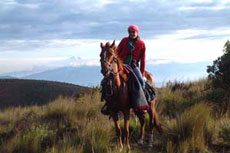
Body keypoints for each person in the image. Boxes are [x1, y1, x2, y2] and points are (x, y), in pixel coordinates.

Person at [117, 24, 146, 89]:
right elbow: (117, 52)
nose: (132, 33)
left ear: (137, 32)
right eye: (130, 32)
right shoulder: (124, 40)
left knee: (141, 81)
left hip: (133, 65)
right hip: (122, 64)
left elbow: (143, 60)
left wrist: (142, 73)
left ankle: (142, 98)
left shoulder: (141, 44)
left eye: (133, 32)